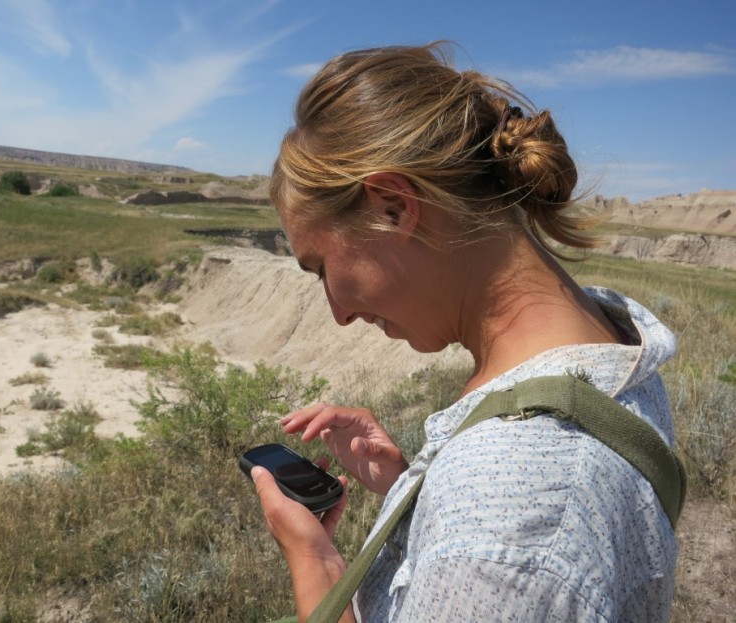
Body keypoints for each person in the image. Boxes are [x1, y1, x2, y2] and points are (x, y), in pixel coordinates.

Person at [251, 42, 678, 622]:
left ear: (393, 207)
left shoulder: (505, 527)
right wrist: (416, 489)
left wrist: (315, 562)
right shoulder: (607, 342)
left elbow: (504, 544)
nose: (338, 314)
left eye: (322, 267)